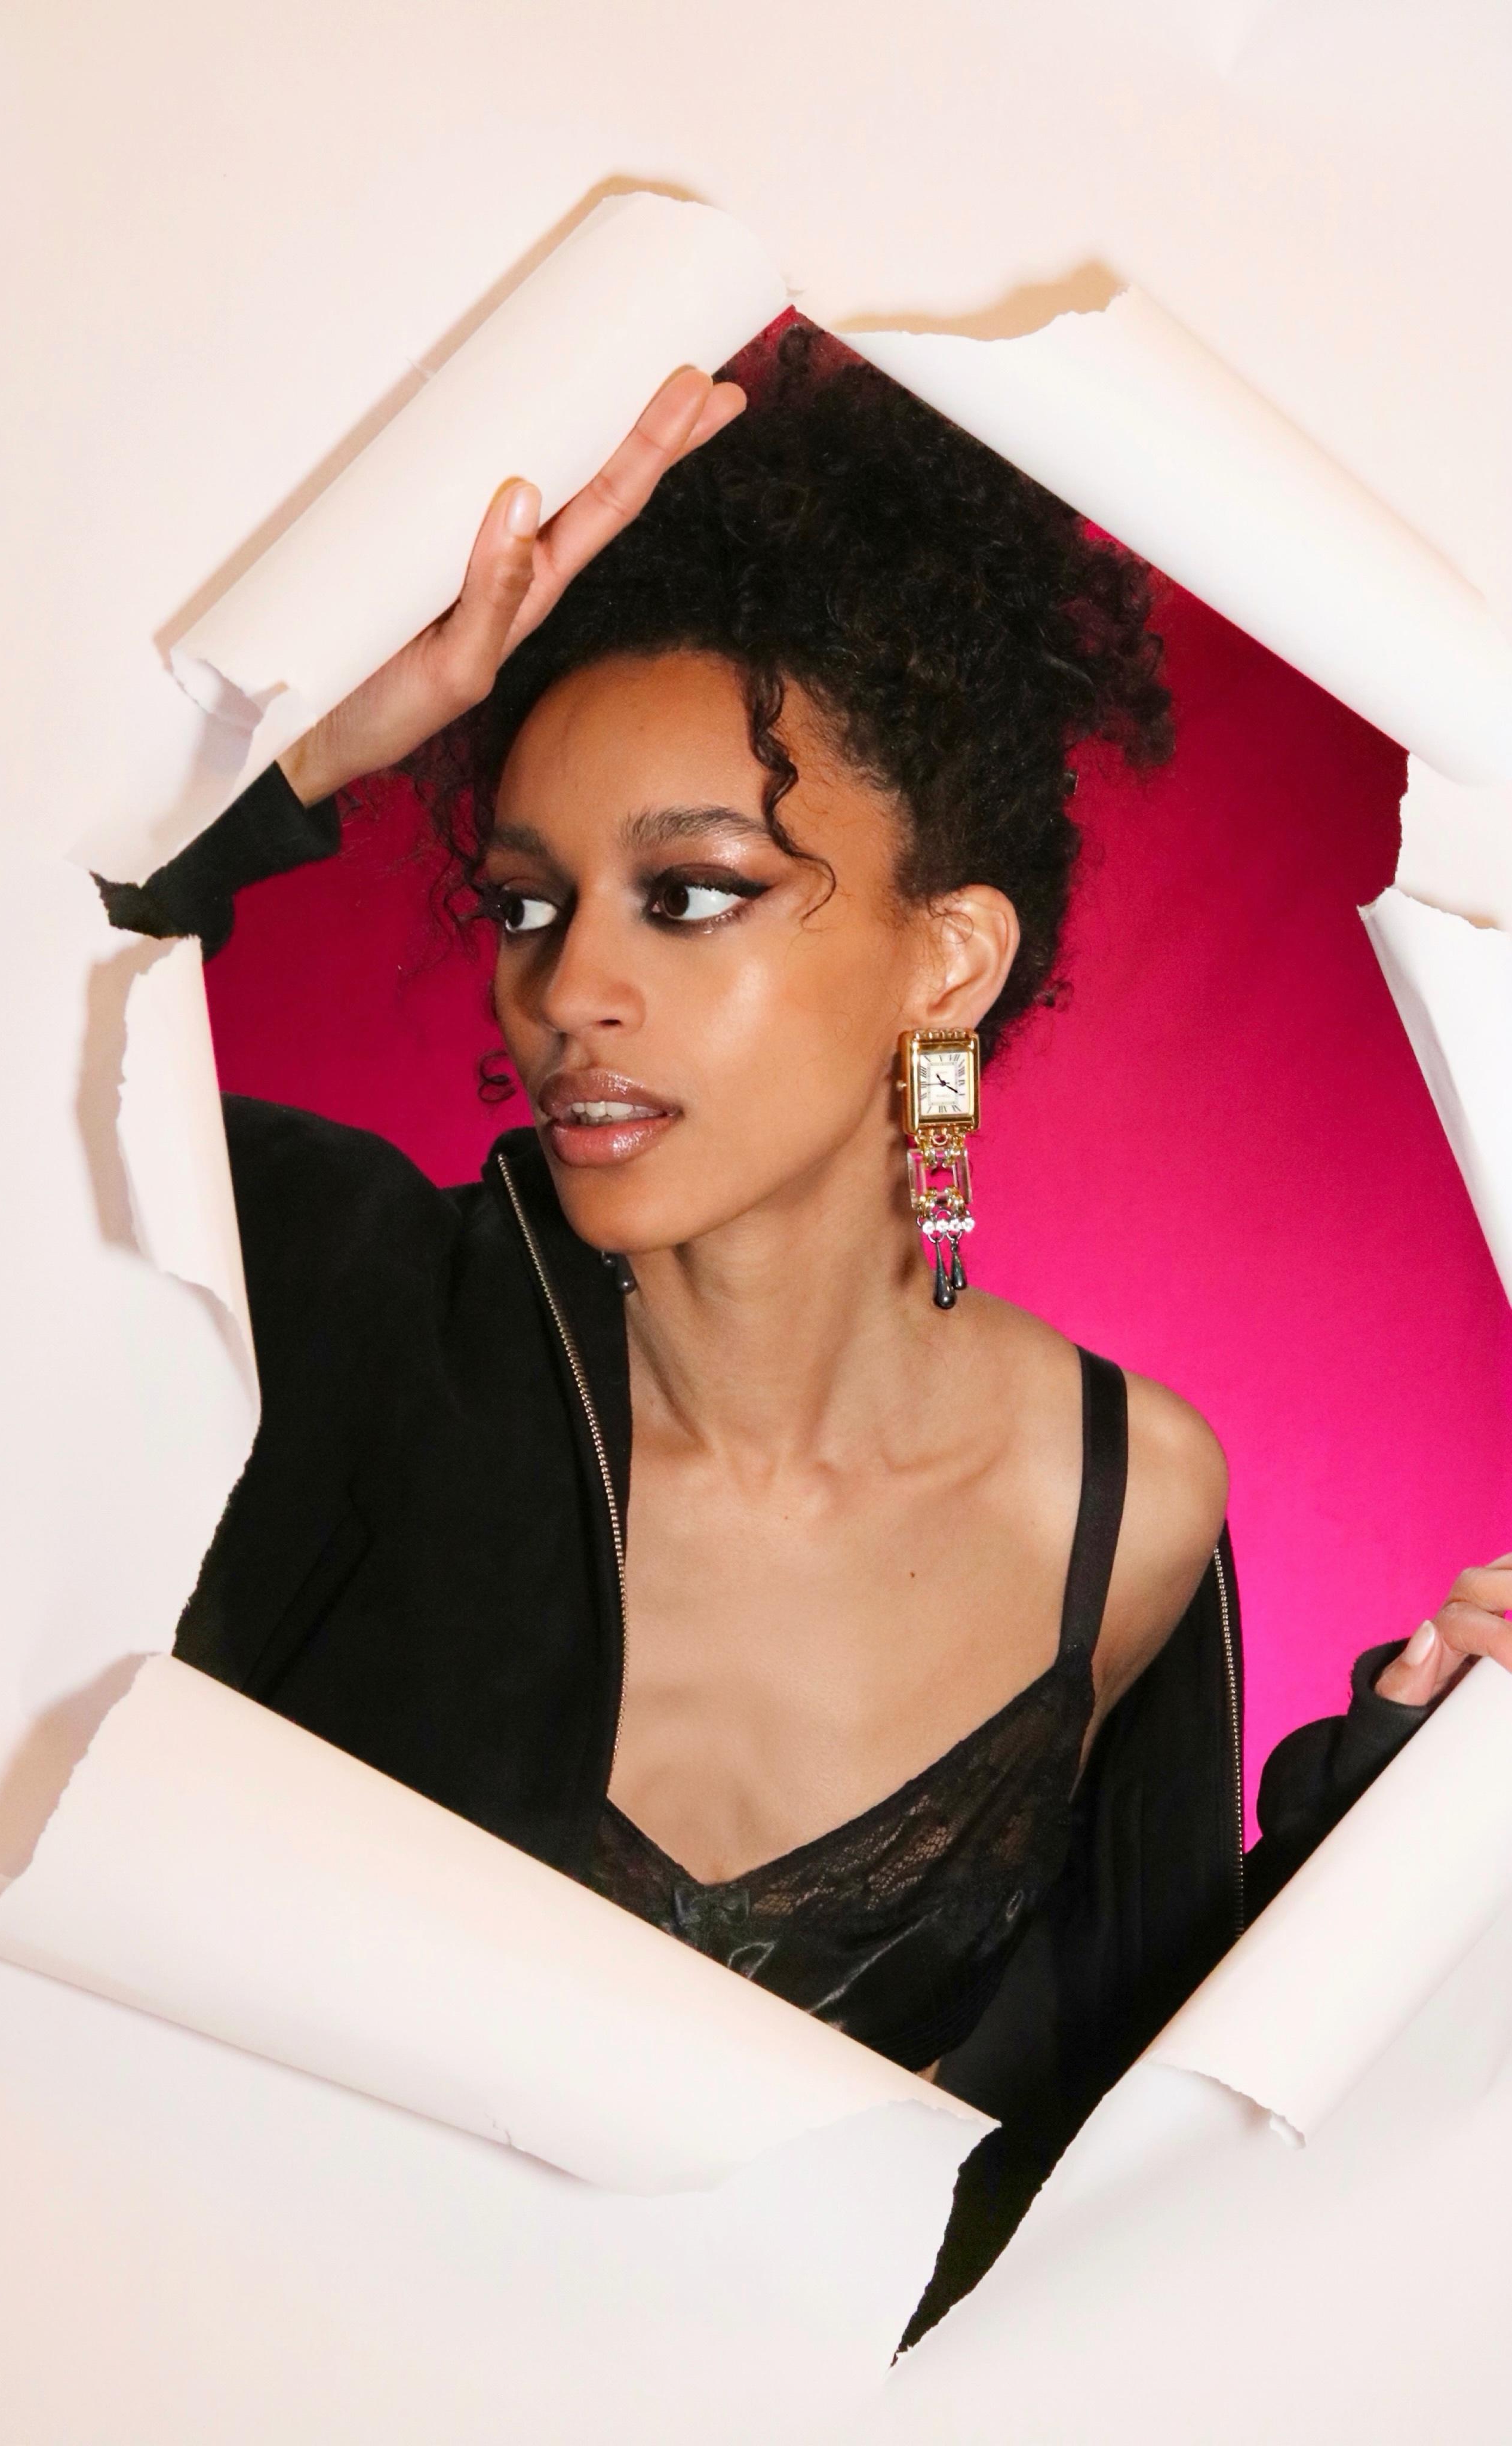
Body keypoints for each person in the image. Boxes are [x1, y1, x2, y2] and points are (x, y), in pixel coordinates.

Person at [112, 321, 1512, 2321]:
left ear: (945, 962)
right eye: (527, 904)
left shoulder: (1120, 1501)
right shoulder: (319, 1289)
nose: (567, 991)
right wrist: (293, 759)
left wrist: (1413, 1790)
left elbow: (1113, 2182)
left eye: (690, 894)